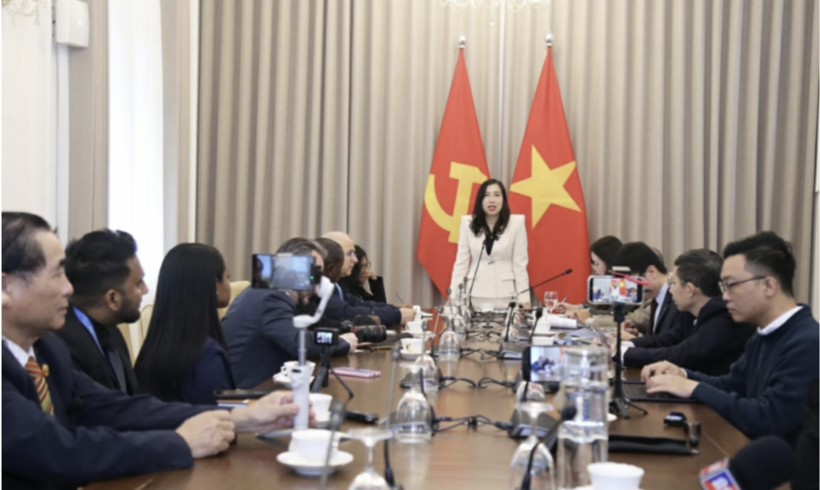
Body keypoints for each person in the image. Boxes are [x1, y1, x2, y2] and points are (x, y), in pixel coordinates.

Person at [2, 212, 310, 489]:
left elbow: (117, 408)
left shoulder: (46, 348)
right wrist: (179, 443)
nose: (69, 288)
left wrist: (242, 417)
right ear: (5, 288)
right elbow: (58, 450)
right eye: (57, 274)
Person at [643, 232, 819, 443]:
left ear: (769, 286)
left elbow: (769, 419)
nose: (725, 295)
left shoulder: (808, 342)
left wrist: (694, 388)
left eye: (731, 285)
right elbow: (731, 384)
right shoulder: (762, 335)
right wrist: (682, 374)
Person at [222, 238, 358, 389]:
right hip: (249, 394)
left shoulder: (270, 290)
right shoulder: (271, 297)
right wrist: (341, 342)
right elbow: (299, 342)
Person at [621, 249, 756, 376]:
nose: (671, 290)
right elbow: (666, 340)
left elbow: (680, 354)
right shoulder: (689, 313)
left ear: (690, 289)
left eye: (673, 283)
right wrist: (626, 345)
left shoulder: (722, 318)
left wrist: (623, 354)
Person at [134, 244, 235, 405]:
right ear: (215, 285)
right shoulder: (208, 355)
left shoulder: (155, 345)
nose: (229, 283)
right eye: (228, 277)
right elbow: (219, 419)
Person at [56, 229, 148, 394]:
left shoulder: (112, 332)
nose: (145, 290)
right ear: (112, 299)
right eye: (138, 283)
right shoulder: (61, 347)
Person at [449, 179, 530, 309]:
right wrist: (453, 296)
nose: (491, 200)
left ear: (504, 199)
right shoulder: (467, 222)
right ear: (480, 200)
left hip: (507, 295)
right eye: (486, 195)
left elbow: (520, 264)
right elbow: (461, 263)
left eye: (497, 195)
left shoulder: (517, 223)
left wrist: (524, 299)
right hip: (475, 293)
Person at [323, 232, 414, 325]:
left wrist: (397, 310)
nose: (355, 260)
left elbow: (363, 305)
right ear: (332, 256)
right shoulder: (319, 287)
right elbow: (348, 313)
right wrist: (397, 315)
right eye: (350, 253)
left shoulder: (335, 286)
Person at [612, 242, 688, 339]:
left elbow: (673, 348)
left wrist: (633, 341)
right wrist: (637, 337)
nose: (631, 291)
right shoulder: (657, 296)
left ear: (651, 272)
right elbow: (660, 339)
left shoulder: (678, 298)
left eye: (632, 283)